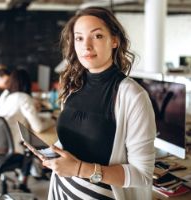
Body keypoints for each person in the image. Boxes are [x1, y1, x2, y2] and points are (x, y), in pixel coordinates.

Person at [25, 7, 156, 200]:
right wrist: (52, 154)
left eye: (97, 36)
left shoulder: (132, 95)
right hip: (61, 190)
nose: (86, 46)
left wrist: (79, 169)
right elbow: (73, 143)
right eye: (79, 38)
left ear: (114, 40)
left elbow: (142, 175)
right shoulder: (72, 87)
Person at [0, 69, 55, 153]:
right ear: (27, 83)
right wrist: (53, 121)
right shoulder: (23, 97)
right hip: (13, 147)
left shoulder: (6, 96)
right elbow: (38, 128)